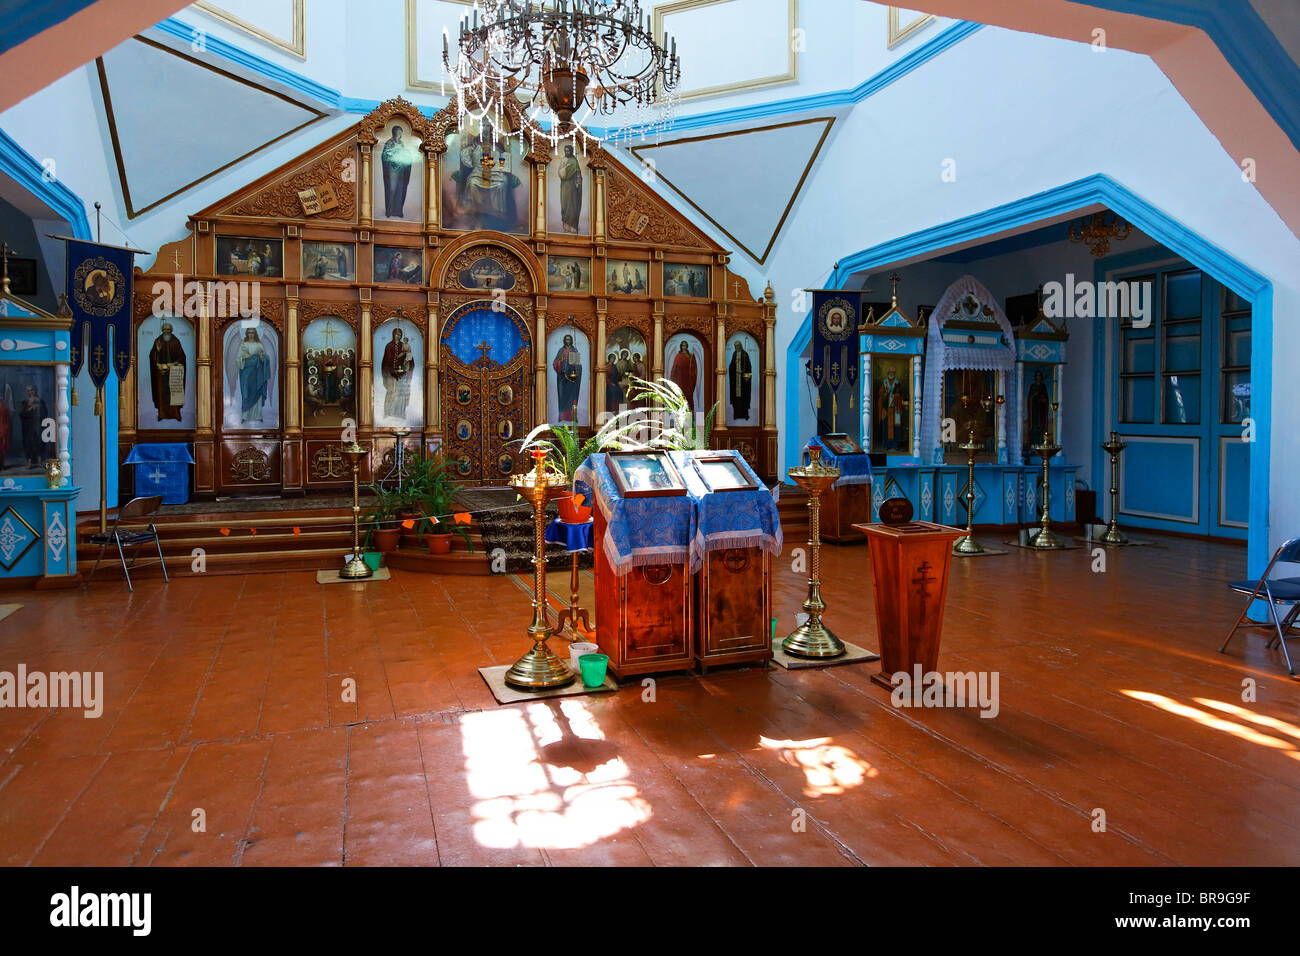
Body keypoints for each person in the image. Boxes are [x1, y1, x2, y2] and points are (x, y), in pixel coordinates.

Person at [148, 320, 187, 422]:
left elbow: (182, 357)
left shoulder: (176, 341)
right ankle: (162, 414)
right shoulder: (158, 341)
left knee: (174, 394)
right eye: (165, 330)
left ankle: (176, 414)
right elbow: (152, 355)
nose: (166, 332)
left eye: (168, 330)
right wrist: (157, 358)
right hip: (162, 373)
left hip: (174, 373)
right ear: (162, 330)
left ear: (171, 330)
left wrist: (174, 364)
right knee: (161, 394)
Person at [237, 328, 271, 423]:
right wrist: (244, 357)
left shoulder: (259, 345)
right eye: (249, 333)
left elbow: (264, 359)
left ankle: (258, 415)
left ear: (255, 334)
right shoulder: (243, 345)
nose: (251, 334)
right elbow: (238, 359)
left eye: (252, 333)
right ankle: (245, 416)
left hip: (257, 373)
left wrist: (262, 357)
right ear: (247, 334)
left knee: (258, 391)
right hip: (247, 373)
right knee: (246, 392)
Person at [381, 125, 414, 218]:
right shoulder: (389, 143)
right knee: (391, 189)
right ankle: (390, 210)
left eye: (400, 132)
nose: (399, 134)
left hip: (401, 170)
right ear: (394, 132)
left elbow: (404, 154)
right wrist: (393, 155)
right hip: (392, 169)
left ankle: (398, 211)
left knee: (400, 189)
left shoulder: (402, 143)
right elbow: (385, 155)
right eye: (397, 132)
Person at [381, 326, 413, 421]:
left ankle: (400, 414)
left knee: (401, 393)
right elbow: (385, 361)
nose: (397, 336)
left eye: (399, 335)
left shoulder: (404, 345)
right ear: (393, 334)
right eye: (396, 334)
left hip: (401, 374)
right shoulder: (389, 346)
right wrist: (388, 372)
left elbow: (410, 359)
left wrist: (406, 363)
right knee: (391, 392)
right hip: (391, 374)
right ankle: (387, 413)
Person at [876, 364, 908, 451]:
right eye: (890, 372)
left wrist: (897, 396)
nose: (892, 373)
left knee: (896, 427)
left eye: (893, 372)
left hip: (895, 409)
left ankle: (895, 444)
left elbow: (901, 394)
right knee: (886, 426)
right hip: (886, 409)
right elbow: (880, 394)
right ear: (887, 373)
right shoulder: (884, 382)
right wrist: (884, 395)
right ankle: (886, 444)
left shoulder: (897, 382)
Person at [552, 333, 582, 423]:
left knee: (572, 397)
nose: (568, 341)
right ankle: (562, 416)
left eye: (569, 339)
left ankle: (573, 416)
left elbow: (578, 366)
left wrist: (575, 370)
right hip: (562, 378)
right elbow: (555, 363)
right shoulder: (561, 351)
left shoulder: (574, 350)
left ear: (571, 341)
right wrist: (561, 360)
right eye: (566, 339)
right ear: (564, 341)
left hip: (572, 379)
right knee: (562, 397)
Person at [19, 385, 52, 468]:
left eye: (32, 390)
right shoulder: (25, 402)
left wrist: (37, 409)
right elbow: (21, 414)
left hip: (37, 425)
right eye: (29, 390)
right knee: (28, 443)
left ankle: (39, 461)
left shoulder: (40, 401)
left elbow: (45, 413)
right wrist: (29, 409)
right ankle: (29, 462)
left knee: (38, 442)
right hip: (27, 426)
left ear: (35, 390)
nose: (30, 392)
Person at [557, 143, 582, 233]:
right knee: (564, 205)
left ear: (571, 151)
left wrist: (564, 169)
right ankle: (566, 226)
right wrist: (563, 169)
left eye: (568, 151)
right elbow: (560, 172)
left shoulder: (573, 161)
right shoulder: (564, 159)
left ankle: (572, 227)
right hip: (564, 186)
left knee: (571, 206)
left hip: (571, 187)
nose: (566, 152)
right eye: (565, 151)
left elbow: (566, 174)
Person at [669, 340, 698, 413]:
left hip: (688, 380)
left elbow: (694, 368)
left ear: (687, 346)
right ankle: (679, 413)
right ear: (681, 346)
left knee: (688, 397)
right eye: (682, 345)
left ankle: (689, 415)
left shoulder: (690, 356)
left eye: (685, 345)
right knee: (680, 396)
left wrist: (692, 376)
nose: (684, 347)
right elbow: (674, 367)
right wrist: (672, 378)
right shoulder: (678, 356)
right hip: (680, 380)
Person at [728, 339, 753, 422]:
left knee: (744, 397)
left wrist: (744, 373)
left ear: (741, 346)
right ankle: (736, 414)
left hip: (743, 381)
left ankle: (745, 414)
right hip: (736, 380)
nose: (736, 347)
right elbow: (731, 365)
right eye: (735, 346)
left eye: (738, 346)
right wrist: (733, 369)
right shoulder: (734, 354)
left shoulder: (745, 354)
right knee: (736, 398)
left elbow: (749, 367)